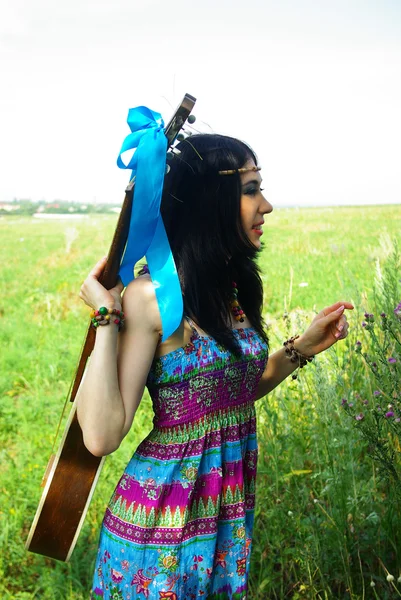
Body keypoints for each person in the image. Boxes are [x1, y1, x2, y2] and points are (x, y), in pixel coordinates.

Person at [77, 134, 353, 600]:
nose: (266, 205)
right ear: (212, 200)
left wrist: (300, 349)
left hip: (224, 526)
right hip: (163, 526)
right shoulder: (153, 299)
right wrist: (107, 316)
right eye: (250, 189)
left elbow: (226, 396)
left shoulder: (232, 287)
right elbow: (101, 437)